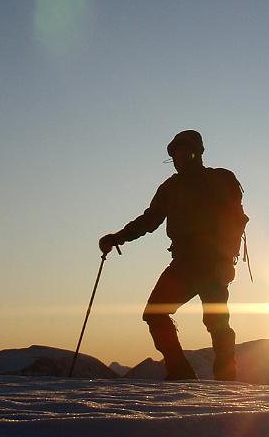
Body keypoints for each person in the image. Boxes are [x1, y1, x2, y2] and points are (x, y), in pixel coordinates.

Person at [99, 130, 248, 381]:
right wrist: (118, 237)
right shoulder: (207, 181)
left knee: (203, 320)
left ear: (198, 151)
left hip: (201, 263)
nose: (180, 158)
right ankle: (203, 376)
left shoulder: (187, 185)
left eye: (183, 151)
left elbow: (235, 220)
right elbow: (149, 220)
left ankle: (200, 376)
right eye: (177, 153)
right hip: (198, 263)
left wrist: (227, 257)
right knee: (208, 320)